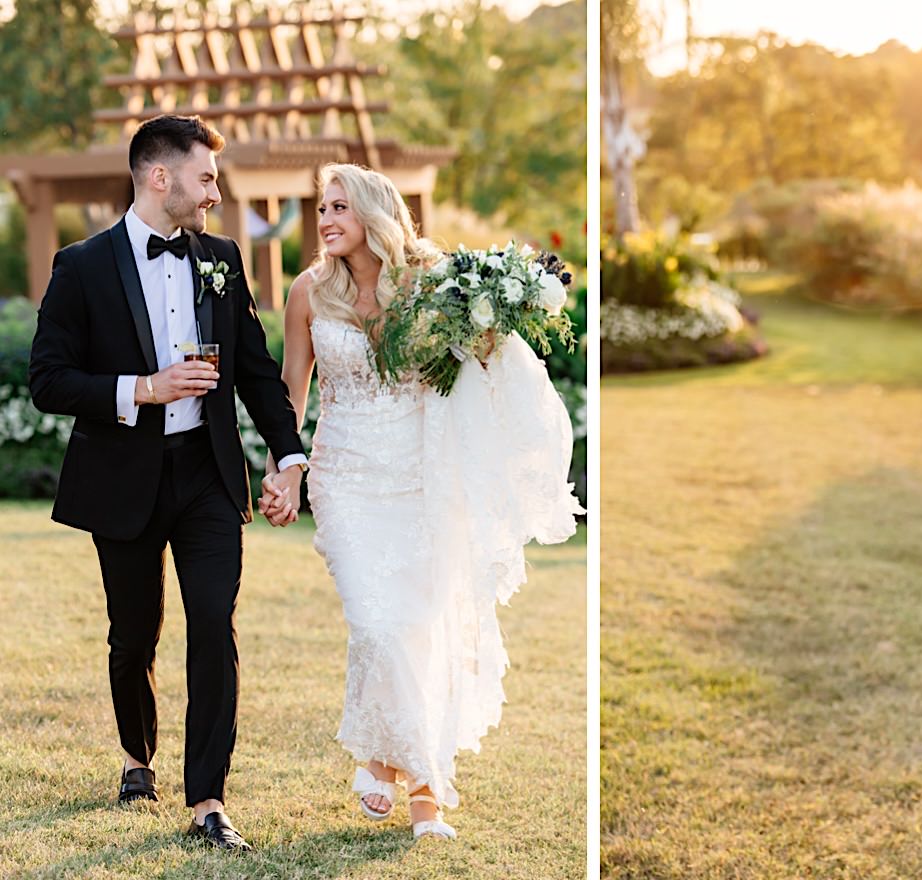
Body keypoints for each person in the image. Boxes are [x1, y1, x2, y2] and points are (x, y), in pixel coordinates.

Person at [28, 113, 309, 852]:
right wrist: (144, 389)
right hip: (123, 476)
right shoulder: (81, 266)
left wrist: (289, 457)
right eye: (206, 177)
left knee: (214, 625)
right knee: (134, 635)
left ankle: (209, 800)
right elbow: (48, 381)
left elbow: (254, 370)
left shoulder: (220, 259)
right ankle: (134, 759)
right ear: (162, 177)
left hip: (207, 476)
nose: (216, 192)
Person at [277, 163, 582, 841]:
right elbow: (290, 395)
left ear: (374, 214)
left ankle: (416, 790)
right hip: (346, 475)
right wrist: (286, 470)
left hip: (422, 472)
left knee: (420, 623)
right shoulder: (307, 291)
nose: (325, 220)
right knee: (377, 622)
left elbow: (481, 363)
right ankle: (403, 771)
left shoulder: (432, 285)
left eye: (338, 208)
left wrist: (494, 326)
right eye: (321, 208)